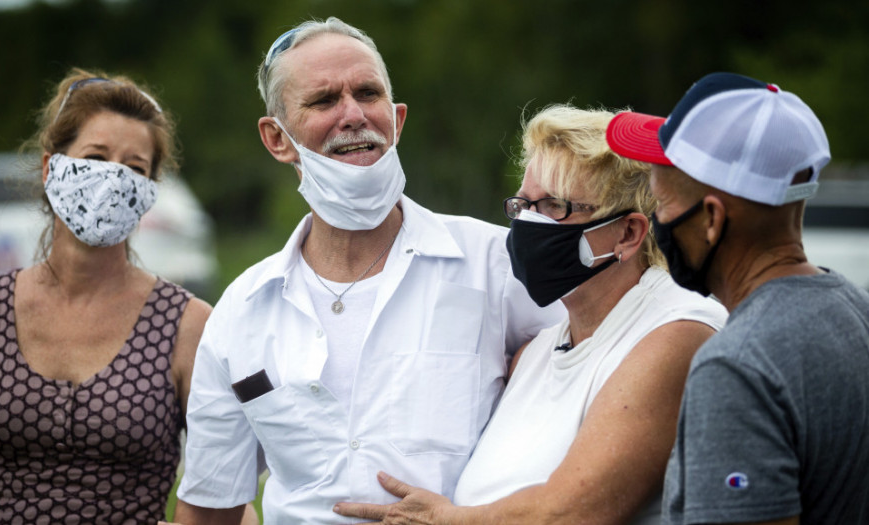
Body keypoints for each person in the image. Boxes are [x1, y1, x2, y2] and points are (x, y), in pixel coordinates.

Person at [171, 17, 560, 525]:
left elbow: (591, 386)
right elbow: (210, 504)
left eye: (367, 93)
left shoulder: (497, 264)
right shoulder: (242, 312)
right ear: (276, 138)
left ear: (396, 118)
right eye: (324, 100)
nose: (353, 115)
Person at [333, 104, 728, 525]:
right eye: (522, 203)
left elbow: (575, 511)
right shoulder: (536, 353)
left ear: (628, 233)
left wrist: (444, 520)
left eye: (553, 206)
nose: (527, 223)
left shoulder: (679, 330)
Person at [0, 68, 213, 525]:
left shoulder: (189, 325)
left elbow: (225, 491)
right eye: (96, 156)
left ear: (149, 193)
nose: (112, 178)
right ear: (53, 168)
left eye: (134, 168)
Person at [605, 72, 869, 524]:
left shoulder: (737, 368)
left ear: (711, 218)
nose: (656, 222)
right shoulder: (856, 310)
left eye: (662, 204)